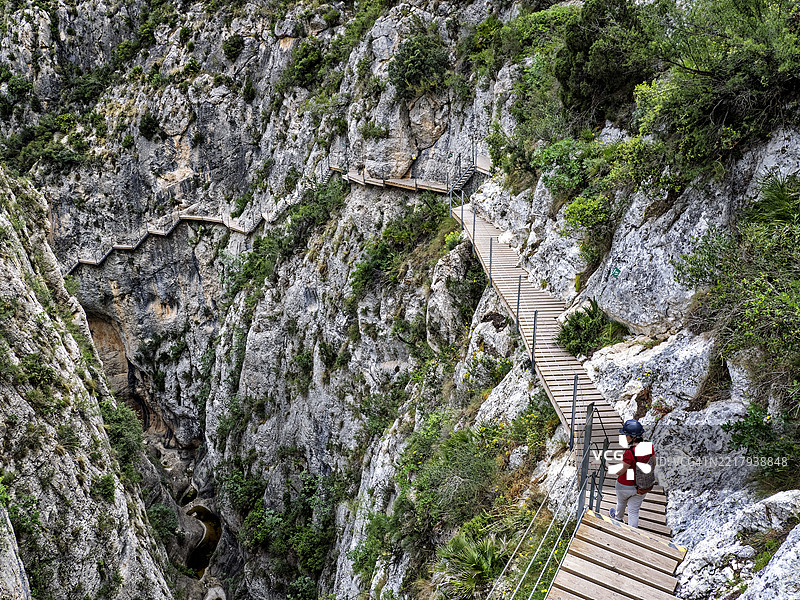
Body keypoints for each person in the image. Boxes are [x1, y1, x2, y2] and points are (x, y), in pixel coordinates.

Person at [609, 419, 653, 529]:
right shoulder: (649, 446)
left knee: (621, 502)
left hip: (625, 485)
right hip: (642, 486)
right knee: (634, 511)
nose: (624, 437)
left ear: (633, 437)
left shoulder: (629, 453)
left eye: (626, 435)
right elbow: (654, 464)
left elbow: (620, 471)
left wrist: (606, 465)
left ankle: (618, 518)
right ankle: (633, 532)